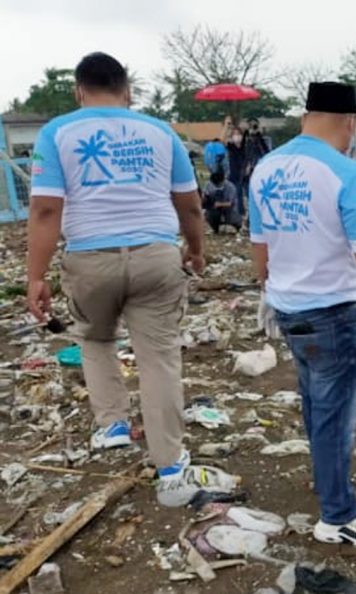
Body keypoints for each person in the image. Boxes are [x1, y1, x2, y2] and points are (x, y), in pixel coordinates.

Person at [26, 52, 235, 507]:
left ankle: (114, 426)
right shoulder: (160, 131)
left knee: (96, 340)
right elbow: (190, 204)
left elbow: (45, 210)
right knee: (159, 359)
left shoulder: (56, 132)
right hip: (157, 258)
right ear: (129, 90)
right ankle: (172, 468)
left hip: (89, 258)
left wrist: (36, 276)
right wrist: (195, 250)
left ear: (79, 91)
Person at [249, 81, 356, 549]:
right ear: (351, 122)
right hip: (331, 316)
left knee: (315, 406)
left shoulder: (266, 167)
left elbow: (260, 243)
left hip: (289, 309)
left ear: (307, 116)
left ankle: (328, 486)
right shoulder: (345, 173)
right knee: (333, 416)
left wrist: (267, 289)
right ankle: (339, 516)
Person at [202, 170, 240, 234]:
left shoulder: (230, 187)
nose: (217, 186)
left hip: (229, 208)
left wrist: (219, 204)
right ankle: (215, 228)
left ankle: (236, 226)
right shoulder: (209, 185)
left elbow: (231, 203)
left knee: (234, 218)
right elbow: (204, 196)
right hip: (215, 208)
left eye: (218, 184)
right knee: (211, 214)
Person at [226, 127, 247, 218]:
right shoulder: (231, 147)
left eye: (238, 134)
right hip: (234, 175)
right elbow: (222, 141)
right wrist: (227, 127)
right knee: (237, 195)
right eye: (234, 134)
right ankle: (239, 214)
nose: (236, 136)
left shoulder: (246, 146)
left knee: (249, 194)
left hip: (246, 175)